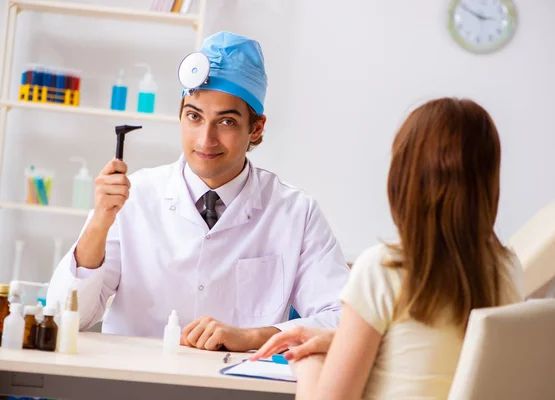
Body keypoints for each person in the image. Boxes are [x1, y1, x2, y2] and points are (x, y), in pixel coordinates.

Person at [47, 31, 350, 352]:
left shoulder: (295, 212)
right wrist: (100, 223)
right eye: (194, 116)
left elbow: (342, 317)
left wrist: (253, 336)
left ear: (256, 128)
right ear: (180, 117)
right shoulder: (134, 197)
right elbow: (66, 315)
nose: (206, 139)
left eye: (227, 122)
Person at [251, 98, 524, 399]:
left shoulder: (384, 269)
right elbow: (426, 353)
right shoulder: (507, 270)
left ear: (403, 180)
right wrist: (340, 341)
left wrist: (309, 361)